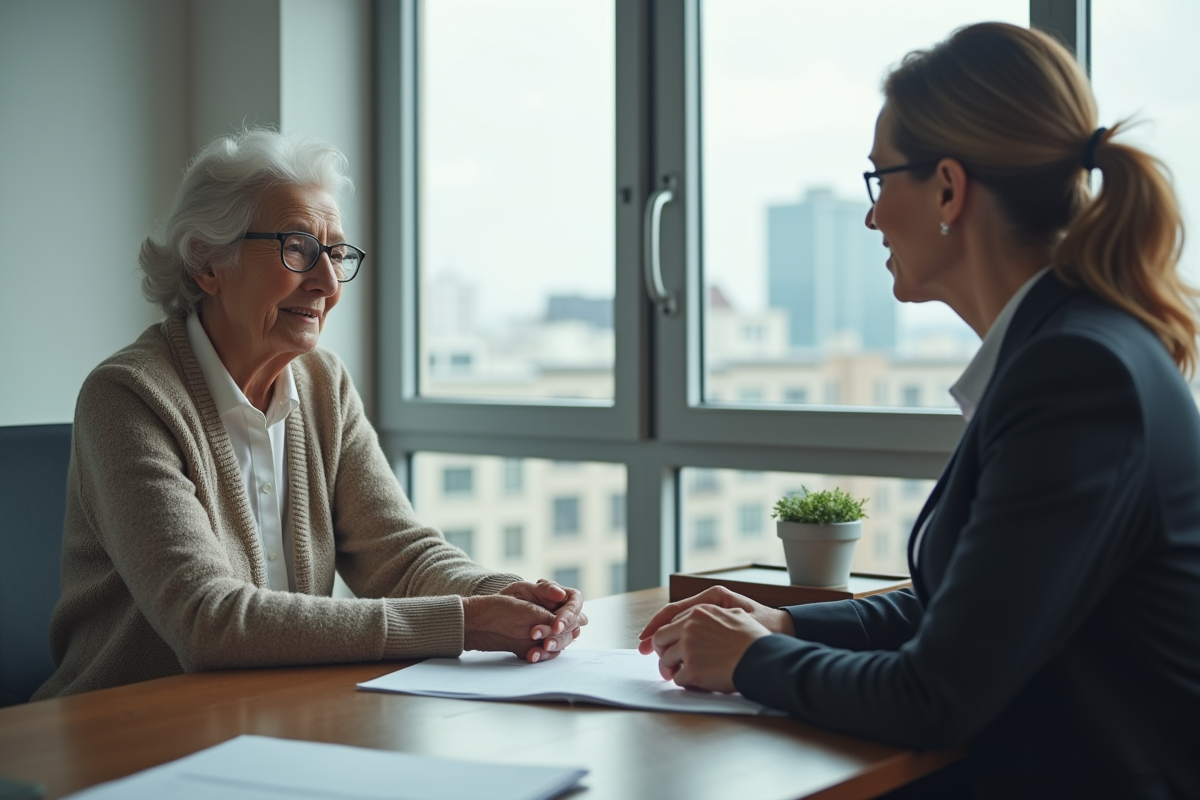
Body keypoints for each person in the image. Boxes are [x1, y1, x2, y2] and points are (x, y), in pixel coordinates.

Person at [639, 22, 1200, 799]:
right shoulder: (1067, 349)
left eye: (879, 179)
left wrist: (749, 660)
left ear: (947, 187)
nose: (872, 218)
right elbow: (966, 607)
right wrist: (786, 625)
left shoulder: (1077, 373)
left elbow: (936, 695)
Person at [34, 129, 585, 700]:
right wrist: (465, 622)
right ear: (207, 263)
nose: (326, 283)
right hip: (123, 735)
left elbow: (399, 558)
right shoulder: (128, 397)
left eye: (337, 253)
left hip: (275, 717)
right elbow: (207, 621)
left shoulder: (324, 384)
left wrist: (513, 596)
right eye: (297, 248)